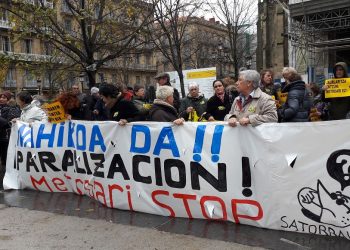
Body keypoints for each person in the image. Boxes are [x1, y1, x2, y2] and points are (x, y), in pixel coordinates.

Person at [0, 91, 21, 168]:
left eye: (4, 98)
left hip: (6, 138)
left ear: (8, 99)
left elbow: (9, 123)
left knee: (5, 159)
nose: (1, 99)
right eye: (1, 97)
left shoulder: (13, 109)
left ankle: (4, 175)